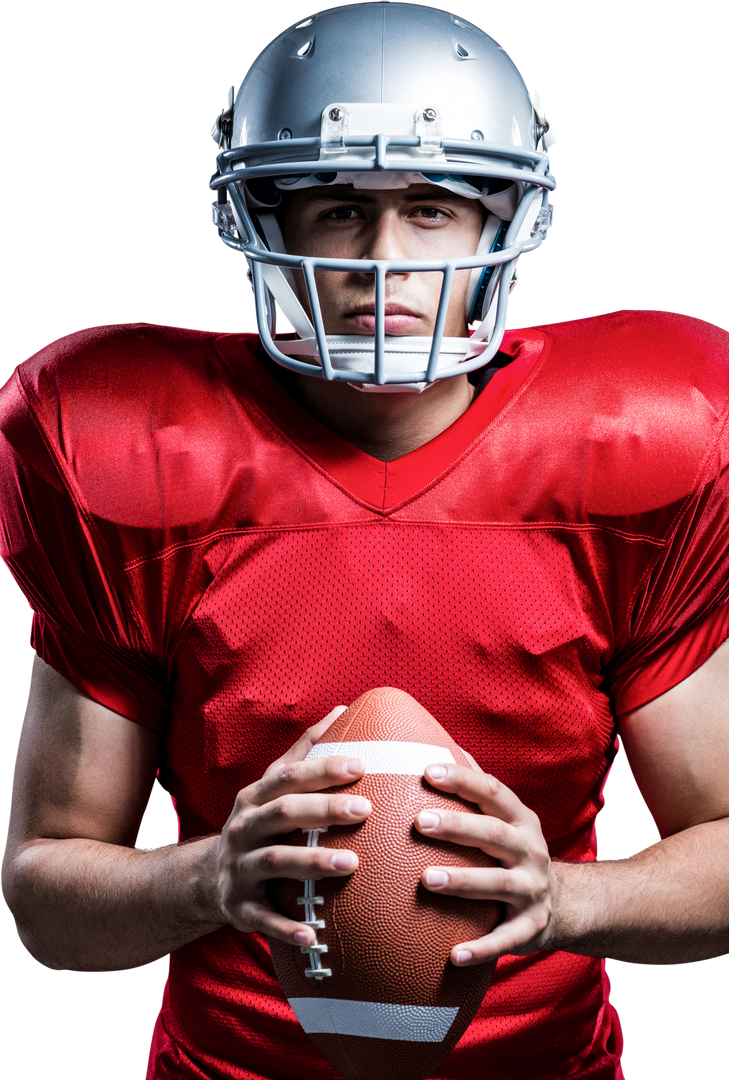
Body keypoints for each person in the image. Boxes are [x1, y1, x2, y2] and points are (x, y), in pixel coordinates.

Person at [1, 4, 727, 1079]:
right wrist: (209, 880)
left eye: (431, 207)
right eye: (338, 208)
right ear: (264, 220)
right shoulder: (134, 449)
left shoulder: (636, 443)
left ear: (502, 225)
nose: (382, 259)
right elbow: (46, 902)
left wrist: (570, 896)